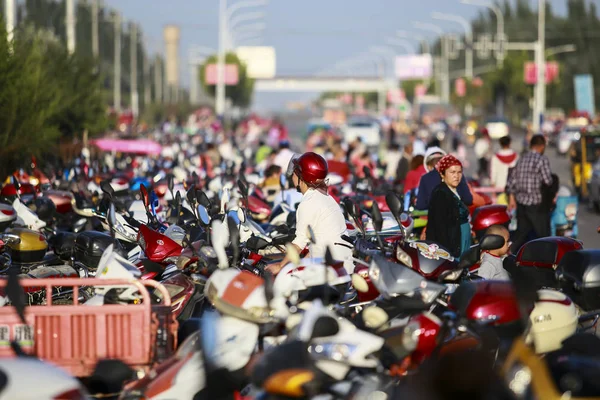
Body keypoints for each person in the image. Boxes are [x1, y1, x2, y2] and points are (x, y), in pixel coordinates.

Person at [265, 152, 352, 274]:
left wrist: (280, 266)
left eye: (296, 171)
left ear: (302, 177)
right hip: (342, 266)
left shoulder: (308, 203)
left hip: (330, 271)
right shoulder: (326, 197)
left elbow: (298, 244)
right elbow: (316, 246)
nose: (293, 175)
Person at [506, 134, 553, 253]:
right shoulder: (542, 159)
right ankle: (546, 261)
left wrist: (512, 198)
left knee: (521, 234)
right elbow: (548, 181)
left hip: (521, 203)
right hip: (536, 204)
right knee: (544, 236)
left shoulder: (521, 159)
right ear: (542, 146)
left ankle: (508, 254)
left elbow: (512, 181)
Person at [426, 155, 471, 259]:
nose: (456, 176)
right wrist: (446, 252)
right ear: (442, 174)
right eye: (452, 172)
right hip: (451, 245)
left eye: (459, 172)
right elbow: (440, 227)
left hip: (461, 239)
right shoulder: (441, 193)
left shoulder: (455, 190)